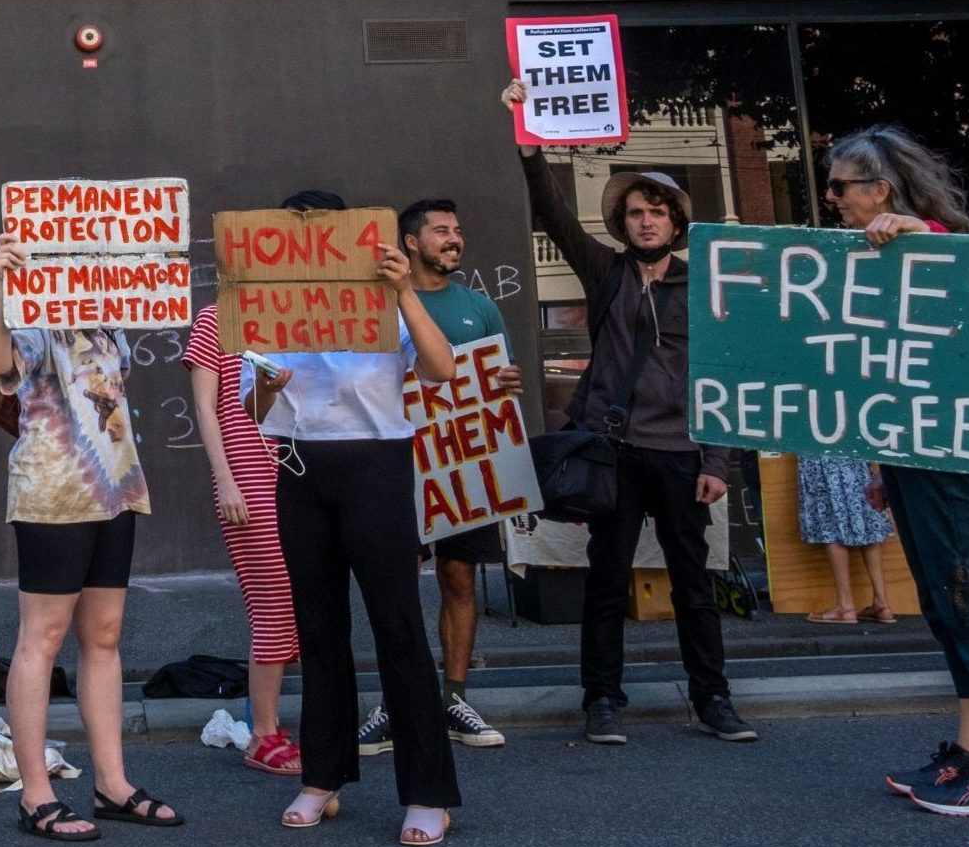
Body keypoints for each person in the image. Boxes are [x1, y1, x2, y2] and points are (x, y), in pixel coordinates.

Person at [505, 78, 757, 746]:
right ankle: (602, 699)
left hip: (680, 454)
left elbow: (720, 377)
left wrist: (716, 461)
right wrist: (530, 147)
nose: (646, 220)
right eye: (636, 213)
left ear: (676, 222)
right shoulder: (606, 272)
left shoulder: (704, 282)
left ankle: (712, 698)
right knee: (606, 583)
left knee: (693, 587)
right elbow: (552, 214)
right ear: (622, 224)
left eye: (657, 212)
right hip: (612, 452)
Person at [830, 126, 969, 818]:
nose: (831, 198)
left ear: (879, 191)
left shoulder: (923, 245)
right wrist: (878, 462)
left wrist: (914, 232)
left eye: (839, 186)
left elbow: (959, 310)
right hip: (907, 454)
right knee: (941, 602)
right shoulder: (879, 256)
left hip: (947, 456)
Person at [248, 189, 463, 847]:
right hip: (298, 469)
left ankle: (427, 792)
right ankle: (321, 778)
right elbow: (257, 410)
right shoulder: (267, 310)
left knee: (396, 624)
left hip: (375, 466)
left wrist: (401, 292)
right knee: (317, 628)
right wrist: (269, 386)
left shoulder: (380, 297)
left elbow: (440, 368)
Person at [0, 233, 176, 840]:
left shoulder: (114, 320)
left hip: (114, 484)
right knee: (43, 637)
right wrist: (3, 285)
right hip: (51, 490)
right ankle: (35, 794)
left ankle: (112, 783)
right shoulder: (34, 315)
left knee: (106, 634)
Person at [352, 199, 519, 756]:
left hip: (464, 468)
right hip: (398, 467)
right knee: (396, 587)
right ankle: (399, 701)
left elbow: (498, 384)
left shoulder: (480, 307)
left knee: (459, 580)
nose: (454, 238)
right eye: (441, 230)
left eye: (458, 230)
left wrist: (508, 382)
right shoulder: (377, 305)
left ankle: (453, 697)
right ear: (410, 242)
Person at [183, 301, 299, 775]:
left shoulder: (301, 314)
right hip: (248, 470)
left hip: (303, 469)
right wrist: (225, 477)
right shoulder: (216, 316)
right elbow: (205, 407)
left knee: (292, 600)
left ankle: (266, 723)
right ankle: (264, 735)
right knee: (275, 600)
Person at [797, 456, 897, 625]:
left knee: (831, 526)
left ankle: (845, 607)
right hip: (853, 453)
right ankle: (882, 605)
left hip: (820, 453)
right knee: (867, 523)